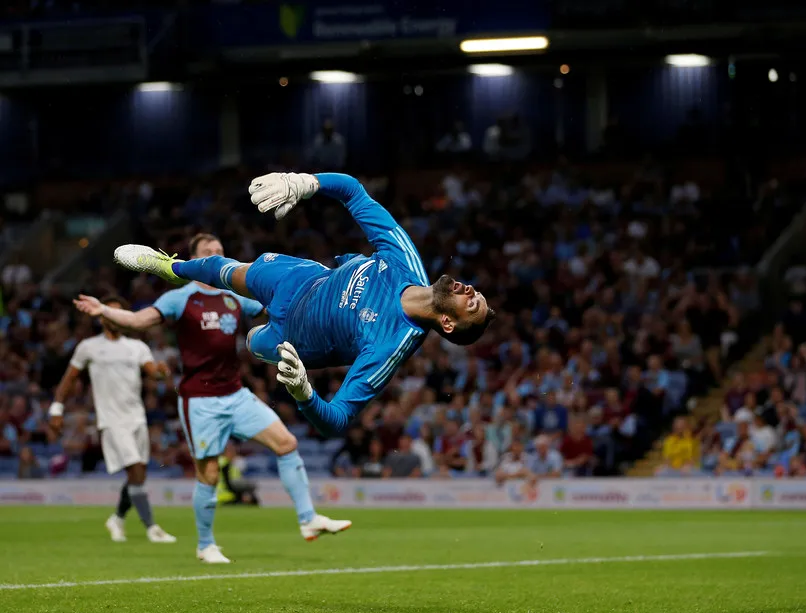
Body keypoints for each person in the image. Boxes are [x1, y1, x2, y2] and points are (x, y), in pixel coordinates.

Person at [113, 172, 495, 440]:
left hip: (289, 338)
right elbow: (354, 192)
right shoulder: (405, 260)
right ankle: (171, 267)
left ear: (447, 322)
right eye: (475, 292)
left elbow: (339, 419)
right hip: (300, 279)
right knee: (219, 268)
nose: (470, 290)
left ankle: (255, 329)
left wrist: (304, 394)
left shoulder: (389, 346)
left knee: (254, 341)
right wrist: (304, 183)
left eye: (471, 303)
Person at [75, 234, 350, 564]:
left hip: (236, 394)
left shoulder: (234, 296)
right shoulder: (181, 298)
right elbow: (137, 321)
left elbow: (274, 305)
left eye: (220, 251)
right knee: (208, 475)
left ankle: (308, 519)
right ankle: (205, 545)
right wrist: (103, 309)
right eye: (208, 253)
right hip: (200, 400)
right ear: (193, 260)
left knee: (287, 444)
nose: (217, 256)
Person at [49, 295, 176, 544]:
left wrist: (161, 372)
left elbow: (152, 371)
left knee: (137, 475)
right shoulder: (88, 347)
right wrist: (56, 409)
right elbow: (69, 378)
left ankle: (117, 518)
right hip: (111, 420)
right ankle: (151, 527)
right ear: (102, 317)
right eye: (110, 312)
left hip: (137, 418)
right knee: (136, 471)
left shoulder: (137, 347)